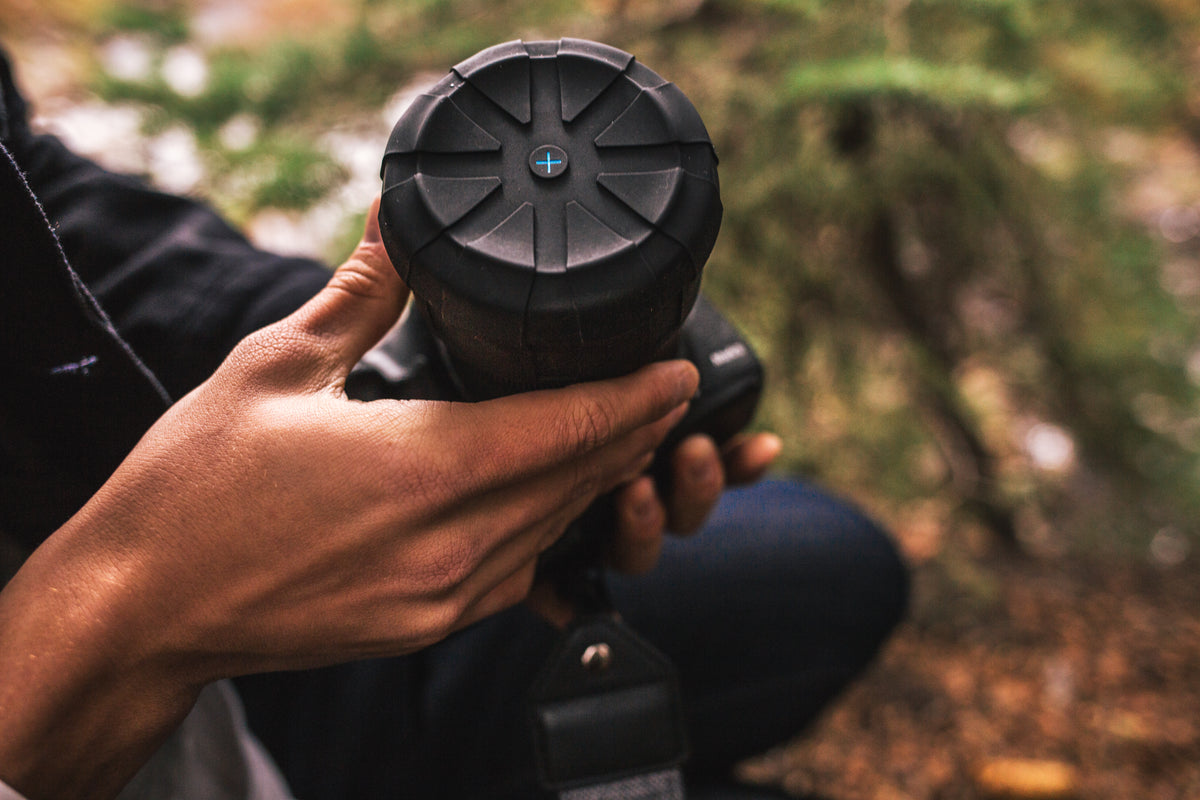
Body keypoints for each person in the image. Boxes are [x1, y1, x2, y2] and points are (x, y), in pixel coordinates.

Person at [0, 46, 907, 800]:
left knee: (831, 563)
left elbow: (39, 212)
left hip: (220, 644)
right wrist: (141, 610)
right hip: (92, 709)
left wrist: (396, 362)